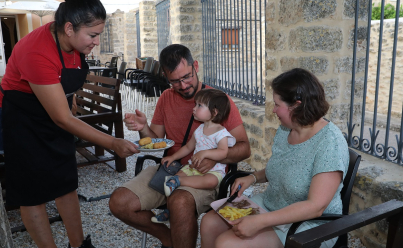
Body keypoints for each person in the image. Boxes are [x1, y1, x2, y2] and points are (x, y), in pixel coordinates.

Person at [0, 0, 138, 248]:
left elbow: (63, 95)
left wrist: (70, 105)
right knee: (31, 192)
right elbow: (62, 118)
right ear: (69, 28)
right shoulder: (37, 51)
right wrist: (113, 142)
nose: (96, 42)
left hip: (53, 112)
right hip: (18, 118)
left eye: (99, 35)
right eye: (92, 35)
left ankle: (78, 245)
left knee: (65, 180)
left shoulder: (74, 43)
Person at [109, 44, 251, 248]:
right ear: (166, 77)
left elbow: (244, 148)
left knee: (179, 201)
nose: (183, 86)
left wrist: (214, 157)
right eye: (175, 81)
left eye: (187, 77)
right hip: (174, 169)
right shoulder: (166, 97)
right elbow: (157, 140)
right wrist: (143, 127)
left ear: (196, 66)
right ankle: (169, 239)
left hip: (207, 177)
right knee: (119, 203)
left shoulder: (218, 100)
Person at [200, 68, 349, 248]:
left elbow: (315, 207)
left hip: (308, 225)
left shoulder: (329, 143)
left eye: (277, 104)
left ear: (296, 105)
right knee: (209, 223)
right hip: (272, 205)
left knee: (227, 244)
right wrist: (253, 177)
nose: (273, 110)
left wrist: (260, 222)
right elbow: (281, 167)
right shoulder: (287, 129)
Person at [151, 88, 236, 224]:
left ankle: (179, 182)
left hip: (213, 172)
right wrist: (172, 157)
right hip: (193, 168)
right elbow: (188, 147)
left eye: (199, 106)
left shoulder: (221, 133)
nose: (194, 108)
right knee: (175, 178)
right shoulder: (200, 129)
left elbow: (223, 152)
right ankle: (168, 210)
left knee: (211, 182)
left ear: (214, 112)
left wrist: (205, 153)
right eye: (195, 104)